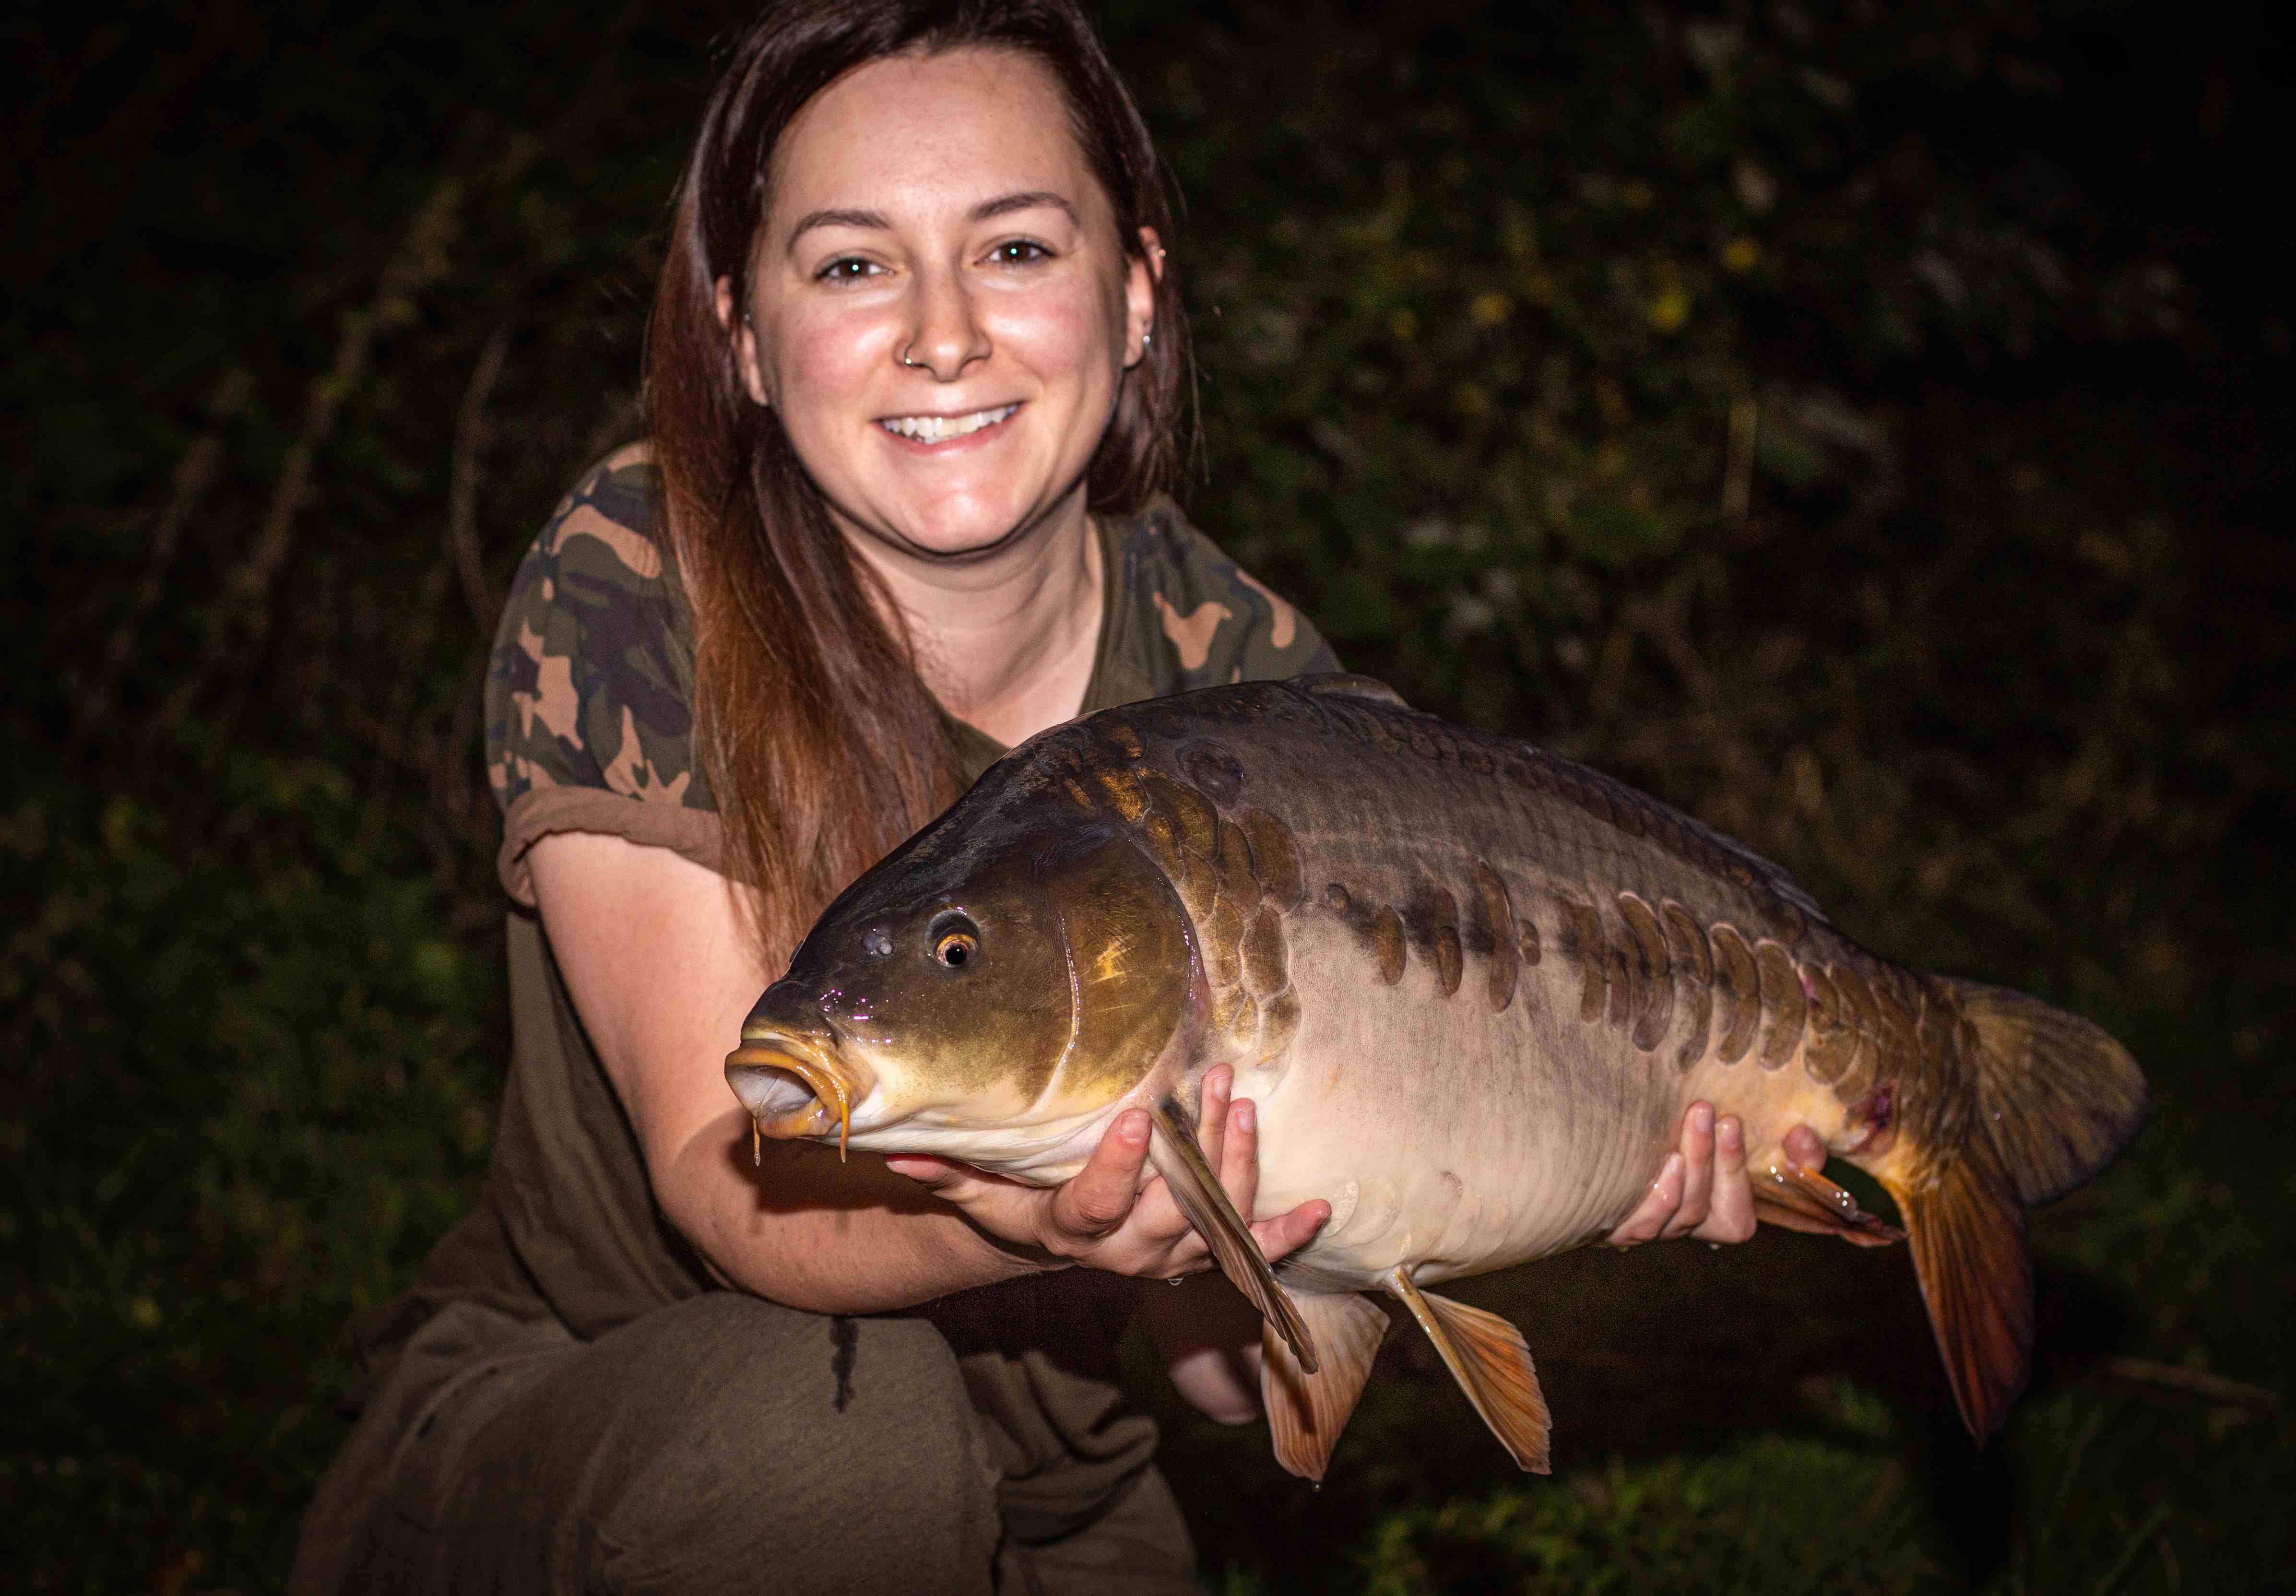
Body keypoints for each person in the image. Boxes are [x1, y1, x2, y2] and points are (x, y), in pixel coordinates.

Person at [291, 3, 1820, 1591]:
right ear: (741, 335)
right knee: (835, 1449)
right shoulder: (639, 576)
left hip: (1059, 1487)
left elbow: (1238, 1376)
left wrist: (1545, 1165)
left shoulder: (1256, 687)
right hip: (610, 1437)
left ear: (1137, 291)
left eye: (1014, 249)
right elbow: (720, 1173)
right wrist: (1011, 1227)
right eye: (851, 264)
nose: (942, 334)